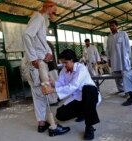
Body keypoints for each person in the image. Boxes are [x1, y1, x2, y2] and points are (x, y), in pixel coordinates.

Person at [22, 0, 70, 136]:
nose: (55, 13)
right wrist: (33, 58)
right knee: (43, 92)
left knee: (39, 94)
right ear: (48, 7)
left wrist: (48, 51)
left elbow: (40, 40)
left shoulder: (43, 20)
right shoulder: (38, 17)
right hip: (37, 63)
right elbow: (26, 35)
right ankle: (53, 127)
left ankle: (42, 124)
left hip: (41, 62)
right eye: (54, 10)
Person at [43, 49, 101, 140]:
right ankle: (83, 112)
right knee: (60, 114)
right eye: (62, 63)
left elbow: (74, 85)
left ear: (72, 60)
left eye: (65, 62)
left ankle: (89, 127)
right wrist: (52, 83)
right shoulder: (63, 70)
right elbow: (60, 83)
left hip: (91, 96)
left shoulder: (81, 68)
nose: (64, 65)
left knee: (87, 89)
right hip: (77, 98)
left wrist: (53, 90)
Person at [106, 20, 131, 94]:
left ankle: (128, 91)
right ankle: (121, 89)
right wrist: (109, 59)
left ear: (117, 26)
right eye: (110, 26)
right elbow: (108, 49)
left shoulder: (123, 34)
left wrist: (127, 57)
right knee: (116, 76)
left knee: (125, 76)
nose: (111, 27)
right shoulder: (109, 36)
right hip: (113, 60)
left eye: (113, 25)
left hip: (122, 59)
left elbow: (127, 46)